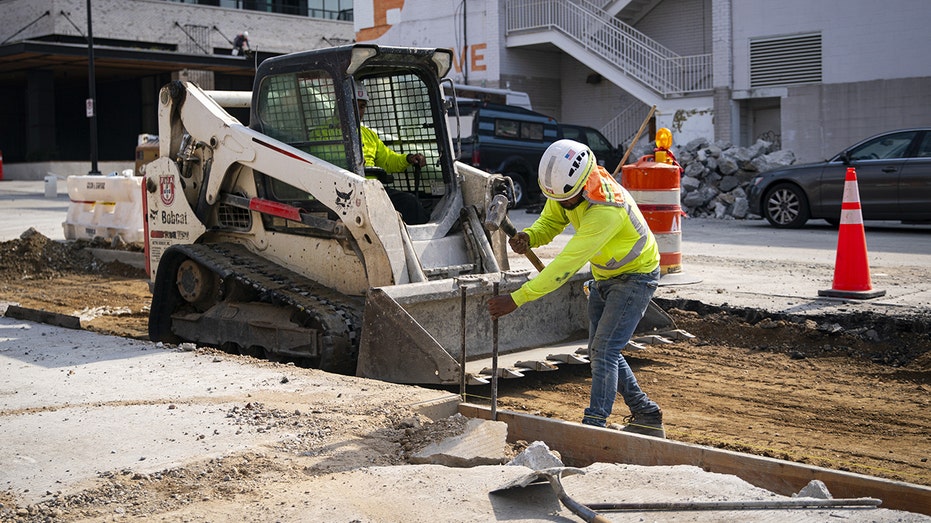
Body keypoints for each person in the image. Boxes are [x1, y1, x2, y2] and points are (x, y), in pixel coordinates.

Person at [487, 139, 665, 438]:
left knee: (604, 350)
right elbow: (551, 221)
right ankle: (647, 414)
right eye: (558, 199)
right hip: (605, 275)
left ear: (584, 185)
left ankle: (594, 427)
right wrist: (531, 236)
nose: (564, 204)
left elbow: (565, 265)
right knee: (602, 351)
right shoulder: (564, 191)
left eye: (569, 200)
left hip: (636, 278)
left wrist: (518, 298)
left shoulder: (607, 209)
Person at [355, 84, 429, 225]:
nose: (358, 111)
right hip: (341, 191)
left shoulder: (369, 135)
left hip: (372, 190)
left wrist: (408, 158)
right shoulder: (321, 134)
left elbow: (388, 160)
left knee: (410, 202)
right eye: (353, 105)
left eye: (362, 106)